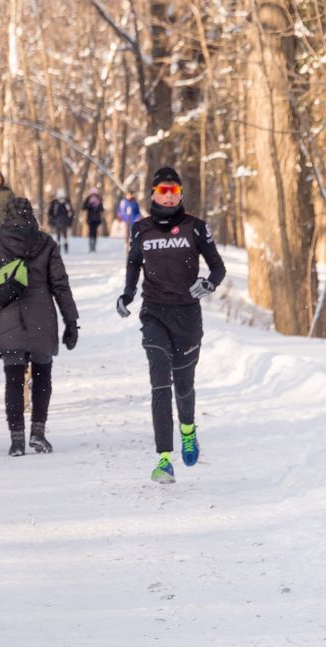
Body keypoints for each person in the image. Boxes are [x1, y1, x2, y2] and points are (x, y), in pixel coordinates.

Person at [115, 166, 226, 484]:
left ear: (180, 195)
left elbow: (217, 266)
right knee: (160, 383)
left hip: (187, 316)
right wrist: (127, 294)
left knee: (183, 384)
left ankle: (188, 430)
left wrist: (208, 284)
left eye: (173, 192)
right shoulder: (141, 228)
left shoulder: (196, 227)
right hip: (154, 314)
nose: (167, 198)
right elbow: (134, 262)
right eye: (162, 191)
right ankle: (164, 459)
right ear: (152, 194)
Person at [0, 198, 79, 457]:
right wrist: (71, 321)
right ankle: (38, 432)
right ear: (31, 215)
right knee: (43, 377)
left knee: (13, 380)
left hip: (7, 321)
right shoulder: (46, 243)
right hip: (42, 319)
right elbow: (60, 285)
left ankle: (16, 439)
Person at [47, 189, 73, 254]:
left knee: (64, 235)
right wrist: (52, 220)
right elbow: (50, 213)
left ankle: (65, 248)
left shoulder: (67, 203)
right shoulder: (54, 203)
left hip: (64, 221)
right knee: (58, 235)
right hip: (57, 221)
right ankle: (59, 249)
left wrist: (69, 221)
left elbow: (71, 213)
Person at [82, 188, 105, 253]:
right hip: (90, 219)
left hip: (96, 219)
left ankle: (93, 247)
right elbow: (84, 208)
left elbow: (102, 209)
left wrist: (97, 207)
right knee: (91, 232)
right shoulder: (88, 199)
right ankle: (91, 247)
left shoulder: (99, 199)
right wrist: (89, 205)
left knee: (94, 232)